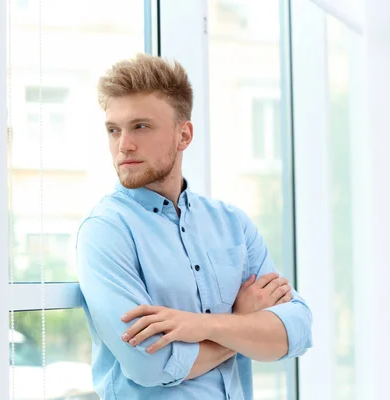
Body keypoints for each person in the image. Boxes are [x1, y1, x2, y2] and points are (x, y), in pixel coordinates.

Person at [76, 53, 312, 400]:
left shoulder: (232, 223)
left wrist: (202, 325)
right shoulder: (105, 232)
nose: (124, 144)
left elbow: (296, 331)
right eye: (114, 130)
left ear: (183, 135)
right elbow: (150, 365)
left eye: (140, 126)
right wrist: (242, 323)